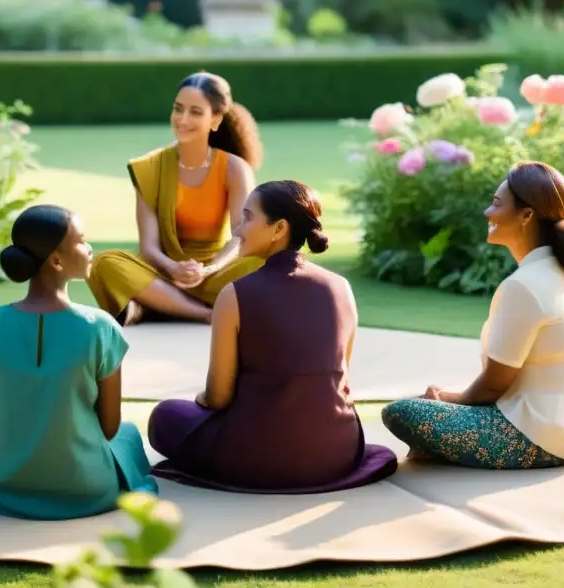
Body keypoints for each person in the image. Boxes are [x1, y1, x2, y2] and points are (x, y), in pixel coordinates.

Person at [146, 180, 398, 492]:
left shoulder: (234, 295)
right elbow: (342, 381)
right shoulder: (342, 288)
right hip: (336, 453)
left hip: (256, 456)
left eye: (248, 218)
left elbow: (218, 397)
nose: (238, 230)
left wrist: (199, 400)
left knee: (166, 416)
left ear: (279, 229)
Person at [382, 161, 564, 470]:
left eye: (496, 204)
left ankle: (439, 442)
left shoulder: (524, 286)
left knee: (403, 411)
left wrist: (445, 401)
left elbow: (492, 386)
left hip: (538, 438)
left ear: (527, 215)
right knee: (425, 403)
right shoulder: (561, 274)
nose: (488, 213)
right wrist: (446, 399)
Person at [0, 205, 158, 520]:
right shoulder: (99, 326)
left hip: (5, 479)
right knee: (129, 435)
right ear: (56, 259)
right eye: (81, 240)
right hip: (86, 485)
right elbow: (108, 428)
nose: (90, 248)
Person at [86, 72, 265, 325]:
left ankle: (155, 306)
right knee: (105, 263)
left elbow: (241, 235)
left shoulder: (234, 169)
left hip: (216, 273)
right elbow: (149, 248)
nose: (182, 119)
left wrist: (210, 269)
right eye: (178, 109)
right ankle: (206, 313)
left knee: (263, 262)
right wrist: (173, 268)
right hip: (163, 273)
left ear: (215, 120)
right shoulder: (150, 167)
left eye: (195, 112)